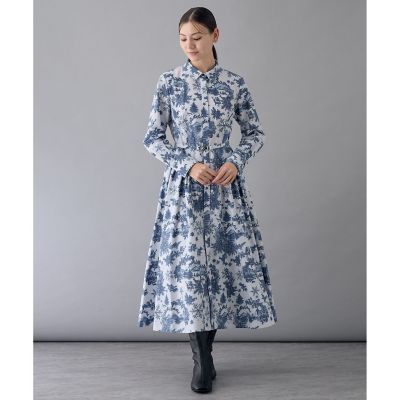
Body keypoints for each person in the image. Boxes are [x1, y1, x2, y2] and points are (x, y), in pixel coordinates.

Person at [137, 7, 278, 393]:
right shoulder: (168, 82)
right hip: (185, 190)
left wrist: (235, 160)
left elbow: (255, 133)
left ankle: (208, 353)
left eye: (197, 37)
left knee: (220, 269)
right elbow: (153, 138)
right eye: (183, 39)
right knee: (191, 273)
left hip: (224, 190)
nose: (190, 45)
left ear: (215, 35)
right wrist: (187, 164)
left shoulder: (234, 83)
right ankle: (201, 361)